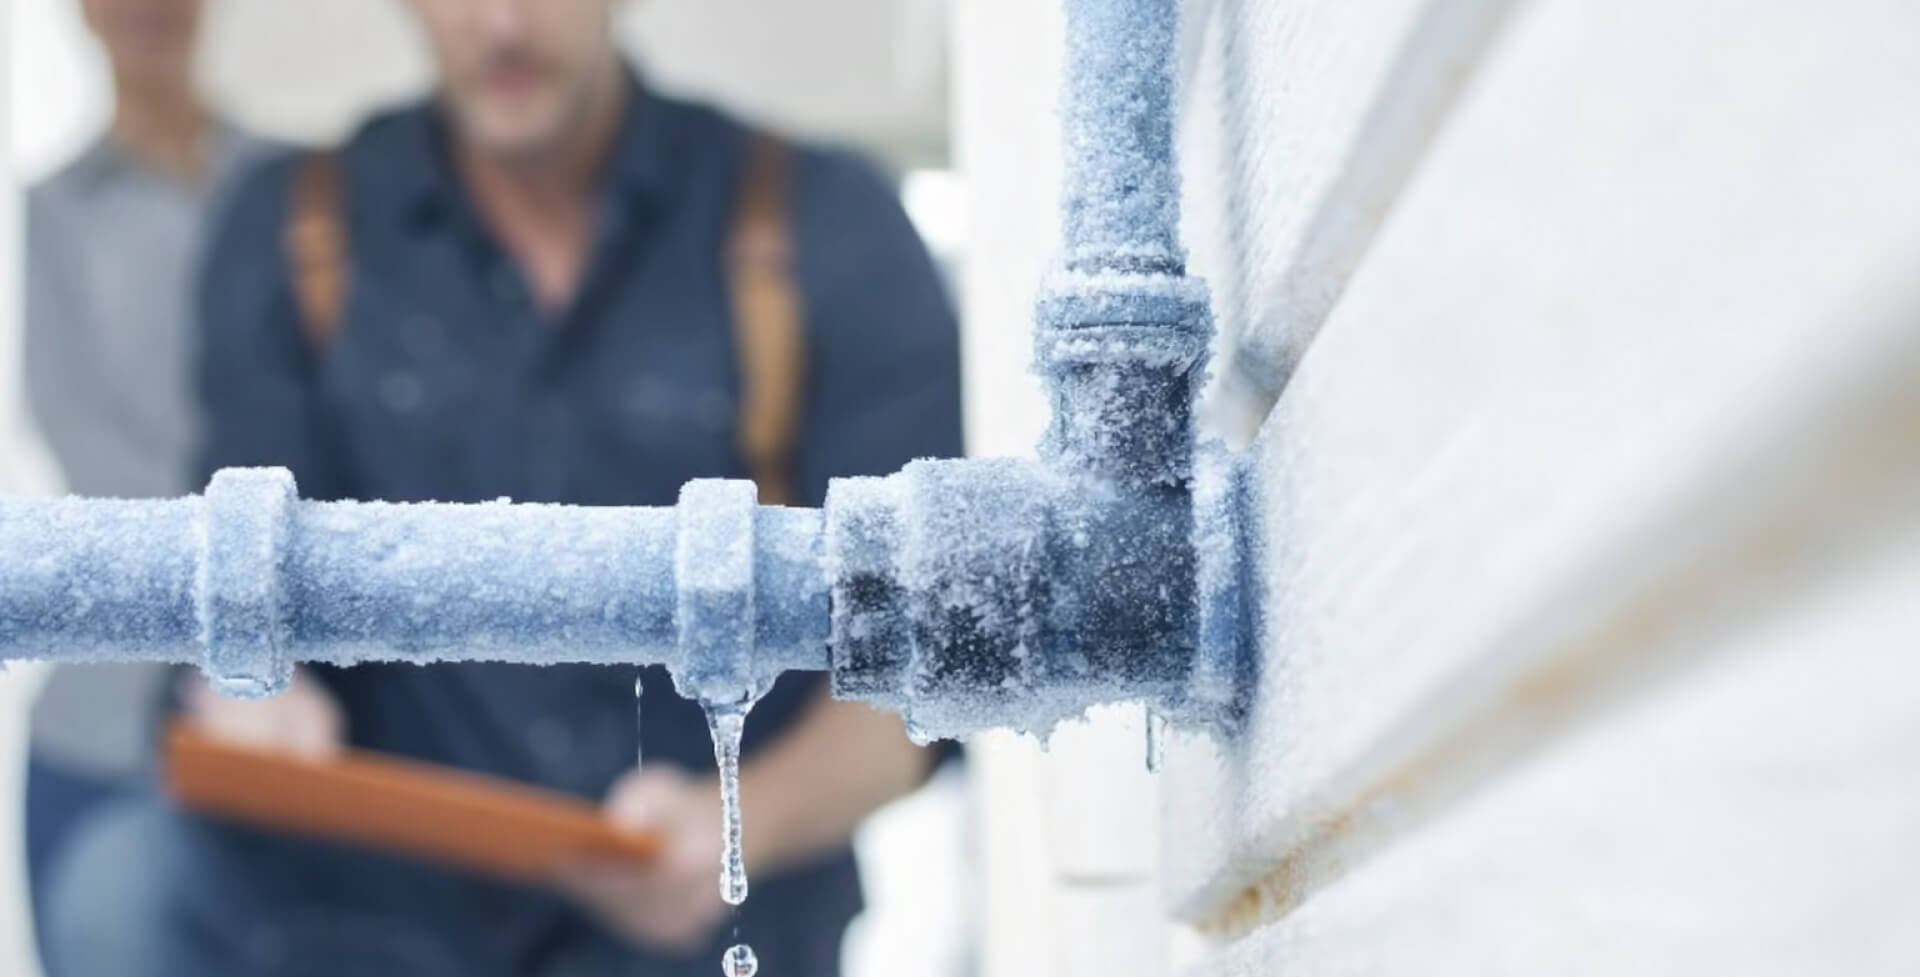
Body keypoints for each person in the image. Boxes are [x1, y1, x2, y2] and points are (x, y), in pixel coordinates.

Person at [39, 1, 964, 976]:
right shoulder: (291, 225)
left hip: (701, 926)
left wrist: (737, 825)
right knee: (124, 888)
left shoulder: (818, 221)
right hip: (369, 913)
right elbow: (228, 559)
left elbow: (918, 667)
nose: (504, 24)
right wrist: (248, 689)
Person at [21, 0, 262, 967]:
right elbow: (81, 442)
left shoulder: (298, 189)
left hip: (282, 731)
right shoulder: (53, 211)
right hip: (103, 728)